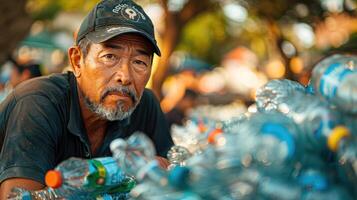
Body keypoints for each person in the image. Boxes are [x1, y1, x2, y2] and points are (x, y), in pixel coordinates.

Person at [0, 0, 173, 198]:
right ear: (76, 61)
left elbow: (173, 181)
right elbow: (16, 197)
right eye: (109, 56)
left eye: (139, 62)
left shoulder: (145, 106)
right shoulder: (37, 103)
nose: (125, 76)